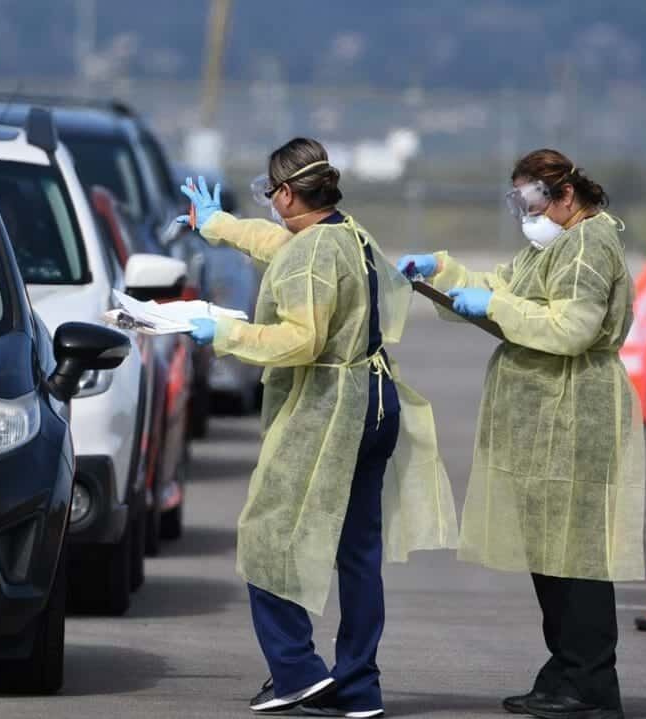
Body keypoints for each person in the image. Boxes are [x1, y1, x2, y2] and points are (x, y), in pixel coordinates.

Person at [179, 138, 457, 717]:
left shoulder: (312, 254)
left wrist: (223, 333)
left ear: (285, 192)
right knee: (357, 553)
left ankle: (297, 672)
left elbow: (300, 338)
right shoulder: (348, 234)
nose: (270, 205)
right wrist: (220, 225)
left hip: (330, 408)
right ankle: (358, 685)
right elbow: (282, 246)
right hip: (376, 401)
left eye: (269, 193)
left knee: (267, 535)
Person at [398, 149, 644, 719]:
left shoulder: (588, 245)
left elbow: (572, 328)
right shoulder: (556, 245)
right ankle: (564, 673)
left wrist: (497, 305)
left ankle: (590, 684)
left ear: (565, 195)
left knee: (577, 556)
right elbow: (500, 287)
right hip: (544, 418)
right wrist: (441, 272)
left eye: (530, 199)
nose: (523, 213)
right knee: (551, 553)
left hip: (574, 411)